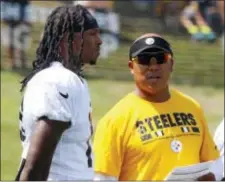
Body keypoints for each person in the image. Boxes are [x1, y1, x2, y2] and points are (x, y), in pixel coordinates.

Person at [93, 33, 220, 181]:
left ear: (171, 64)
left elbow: (213, 165)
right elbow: (103, 179)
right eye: (144, 60)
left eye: (160, 59)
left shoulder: (192, 108)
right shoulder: (114, 121)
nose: (153, 67)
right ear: (131, 67)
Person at [15, 4, 102, 181]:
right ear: (69, 39)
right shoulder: (59, 80)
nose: (99, 41)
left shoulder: (70, 79)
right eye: (92, 34)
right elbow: (35, 164)